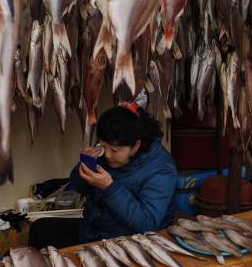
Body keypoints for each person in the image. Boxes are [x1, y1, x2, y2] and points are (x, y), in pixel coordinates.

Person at [28, 103, 177, 248]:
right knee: (39, 229)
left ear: (136, 145)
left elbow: (146, 223)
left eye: (114, 150)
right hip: (94, 231)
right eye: (103, 146)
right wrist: (85, 165)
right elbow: (78, 187)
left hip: (132, 243)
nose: (108, 155)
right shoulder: (105, 152)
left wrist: (110, 187)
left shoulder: (162, 169)